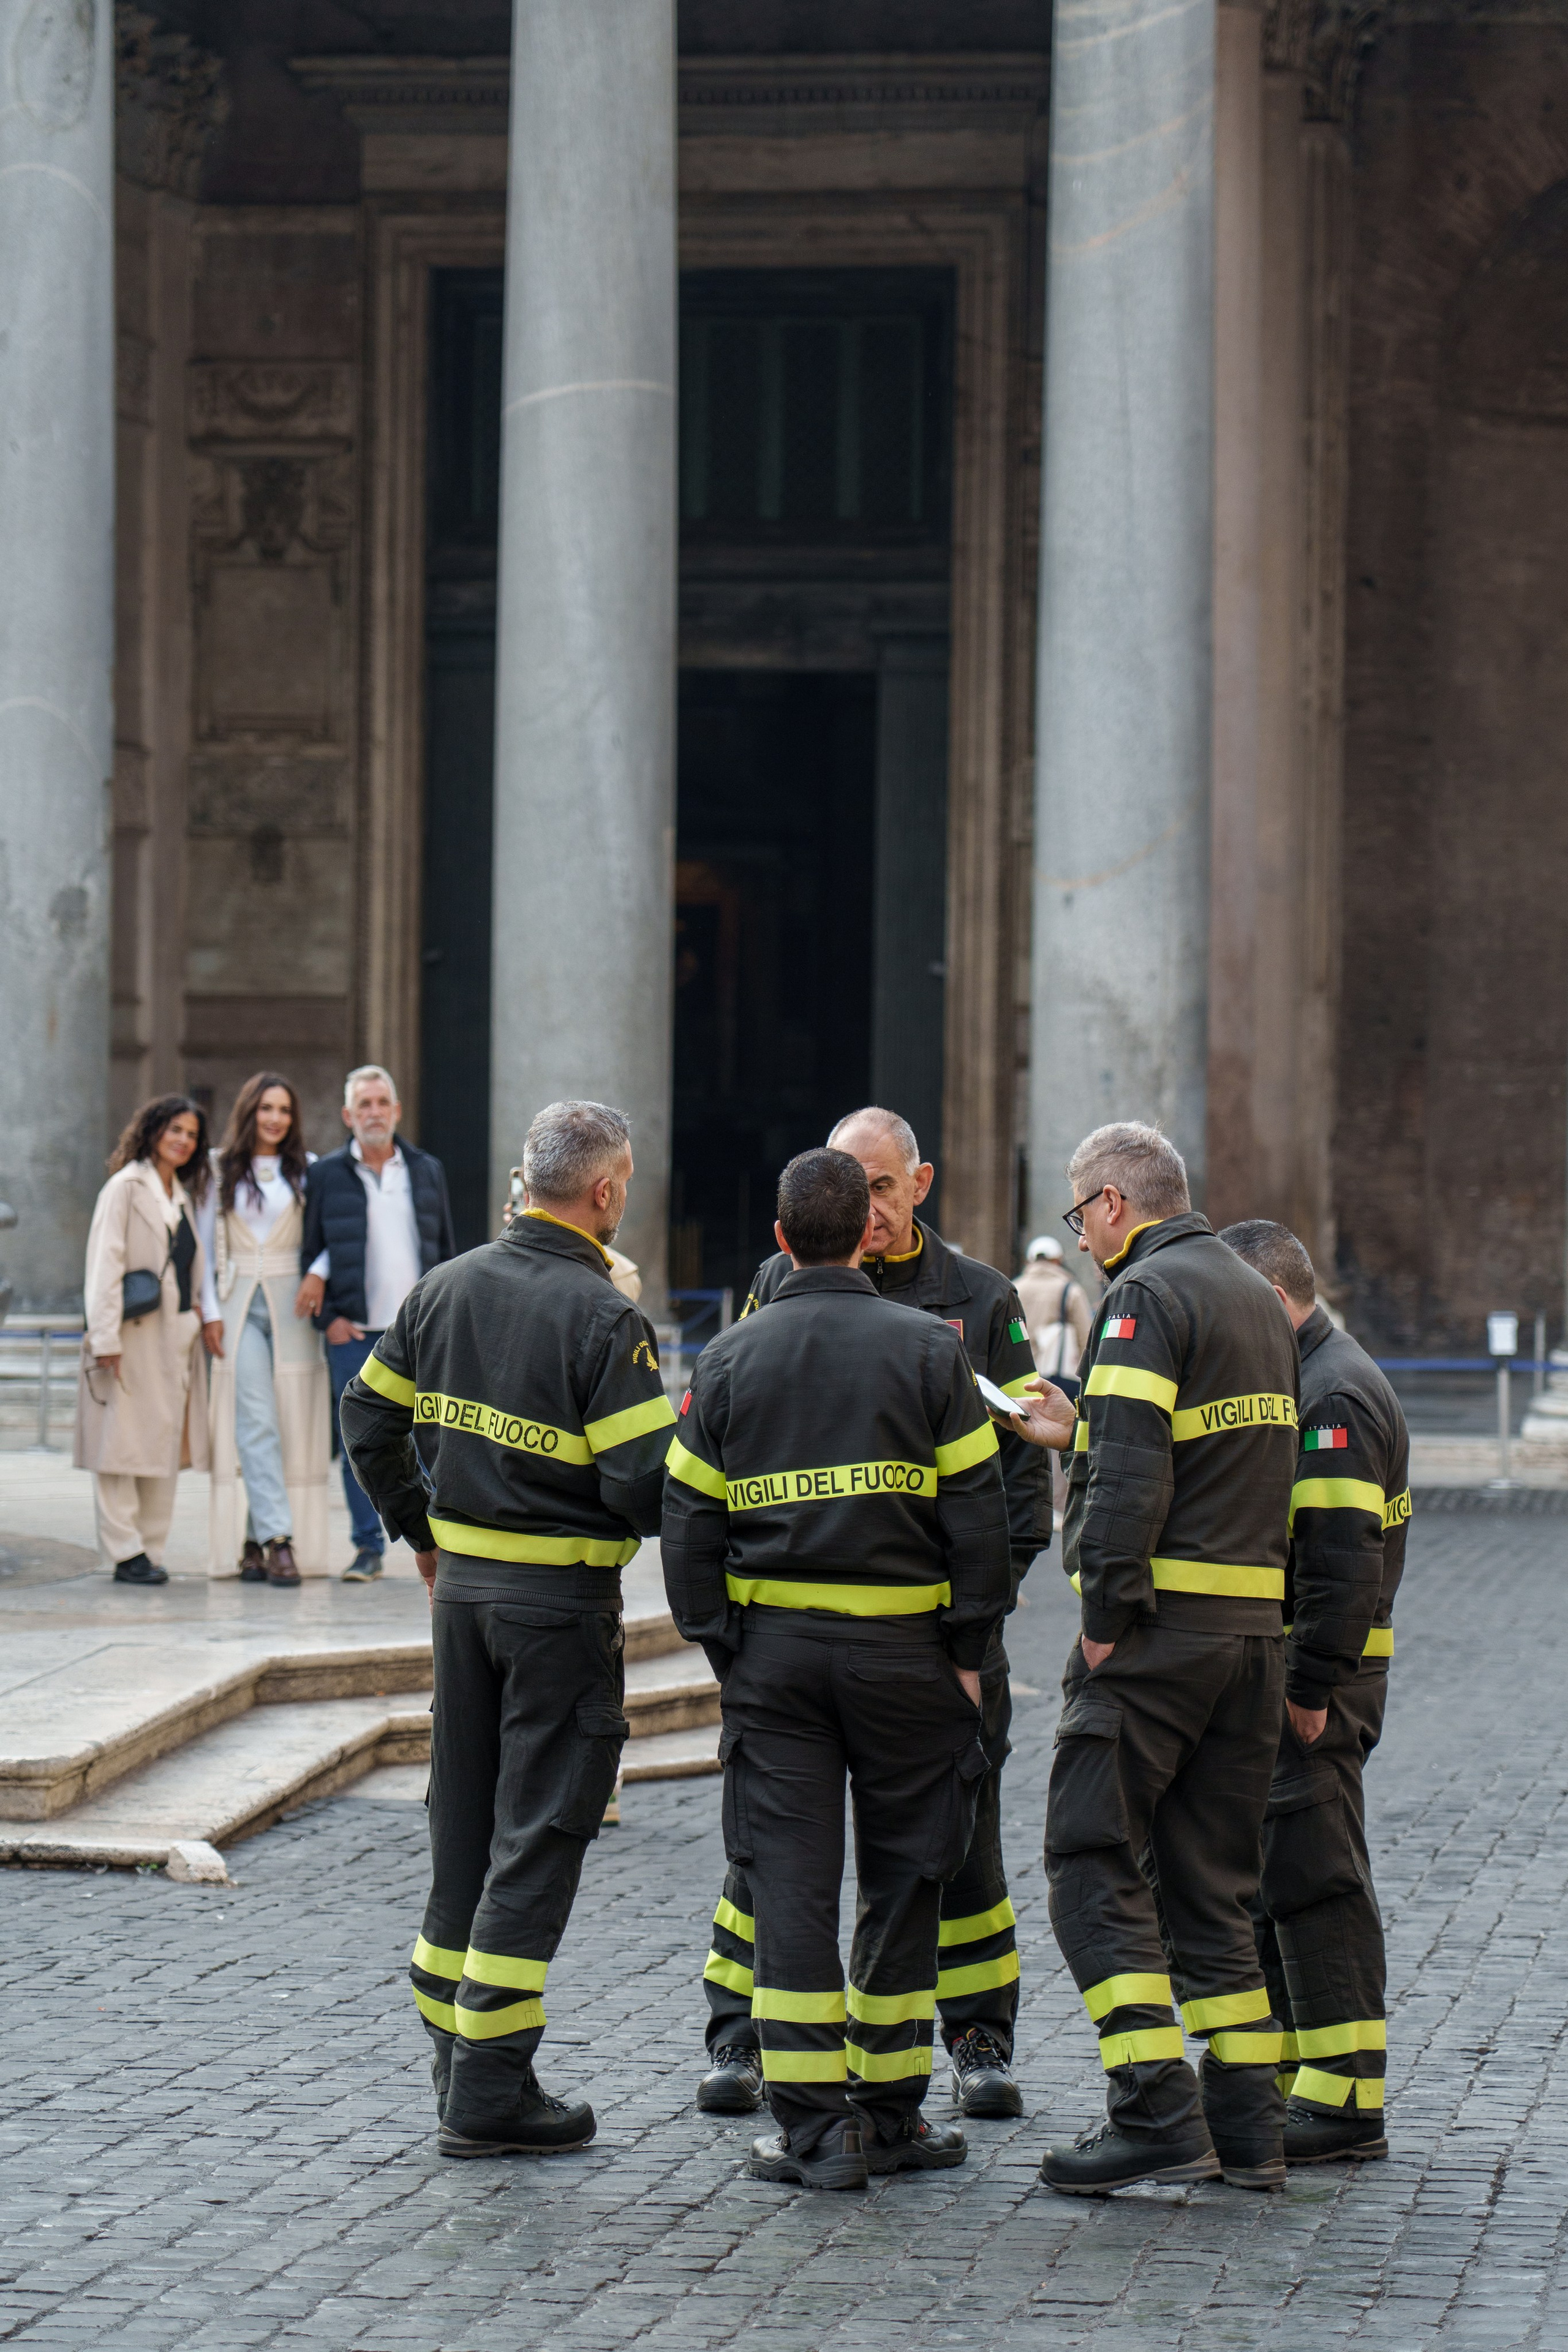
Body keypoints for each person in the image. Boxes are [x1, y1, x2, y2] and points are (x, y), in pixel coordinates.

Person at [663, 1146, 1013, 2193]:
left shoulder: (727, 1358)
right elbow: (979, 1523)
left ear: (779, 1241)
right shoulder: (930, 1349)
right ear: (868, 1229)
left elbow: (686, 1523)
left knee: (791, 1893)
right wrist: (969, 1656)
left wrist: (727, 1644)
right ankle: (893, 2117)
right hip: (910, 1663)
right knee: (909, 1882)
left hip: (778, 1665)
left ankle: (814, 2135)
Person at [338, 1100, 676, 2158]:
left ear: (525, 1181)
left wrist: (420, 1532)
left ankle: (464, 2061)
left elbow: (367, 1416)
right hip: (559, 1615)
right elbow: (641, 1488)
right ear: (608, 1191)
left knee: (465, 1834)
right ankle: (488, 2087)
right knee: (541, 1833)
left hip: (467, 1605)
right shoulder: (605, 1321)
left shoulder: (445, 1287)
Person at [1008, 1121, 1299, 2195]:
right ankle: (1249, 2133)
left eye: (1082, 1214)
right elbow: (1203, 1451)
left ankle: (1154, 2112)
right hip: (1249, 1641)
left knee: (1088, 1857)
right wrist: (1075, 1428)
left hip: (1158, 1638)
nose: (1081, 1239)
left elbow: (1131, 1479)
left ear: (1116, 1203)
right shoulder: (1251, 1299)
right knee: (1213, 1887)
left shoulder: (1143, 1297)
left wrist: (1104, 1611)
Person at [1218, 1219, 1410, 2165]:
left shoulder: (1331, 1394)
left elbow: (1342, 1563)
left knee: (1317, 1880)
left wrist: (1309, 1685)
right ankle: (1304, 2081)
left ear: (1265, 1301)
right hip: (1311, 1672)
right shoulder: (1314, 1373)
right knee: (1283, 1875)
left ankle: (1343, 2103)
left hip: (1320, 1677)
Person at [296, 1066, 456, 1580]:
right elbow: (310, 1250)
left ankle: (436, 1542)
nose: (373, 1112)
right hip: (356, 1334)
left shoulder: (427, 1169)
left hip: (419, 1331)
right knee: (359, 1447)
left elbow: (445, 1251)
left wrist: (449, 1317)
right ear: (348, 1115)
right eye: (363, 1104)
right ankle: (367, 1548)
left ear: (397, 1111)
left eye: (382, 1102)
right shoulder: (325, 1175)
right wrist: (329, 1319)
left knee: (431, 1438)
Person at [196, 1073, 329, 1587]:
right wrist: (208, 1311)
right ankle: (280, 1540)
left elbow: (331, 1234)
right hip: (234, 1306)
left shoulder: (309, 1172)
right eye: (266, 1108)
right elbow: (206, 1250)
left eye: (284, 1110)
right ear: (249, 1111)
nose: (275, 1118)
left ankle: (252, 1543)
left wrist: (320, 1272)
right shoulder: (216, 1168)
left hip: (294, 1305)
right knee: (255, 1417)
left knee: (289, 1420)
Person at [73, 1096, 212, 1586]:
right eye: (175, 1129)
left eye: (192, 1134)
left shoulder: (182, 1194)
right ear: (152, 1130)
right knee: (120, 1444)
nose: (183, 1140)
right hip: (129, 1337)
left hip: (175, 1337)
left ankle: (150, 1549)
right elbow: (105, 1264)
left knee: (161, 1443)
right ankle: (124, 1550)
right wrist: (104, 1336)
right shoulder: (125, 1188)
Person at [1015, 1234, 1093, 1381]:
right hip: (1058, 1376)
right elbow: (1085, 1337)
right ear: (1058, 1260)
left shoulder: (1015, 1289)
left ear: (1029, 1261)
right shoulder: (1070, 1290)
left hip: (1022, 1374)